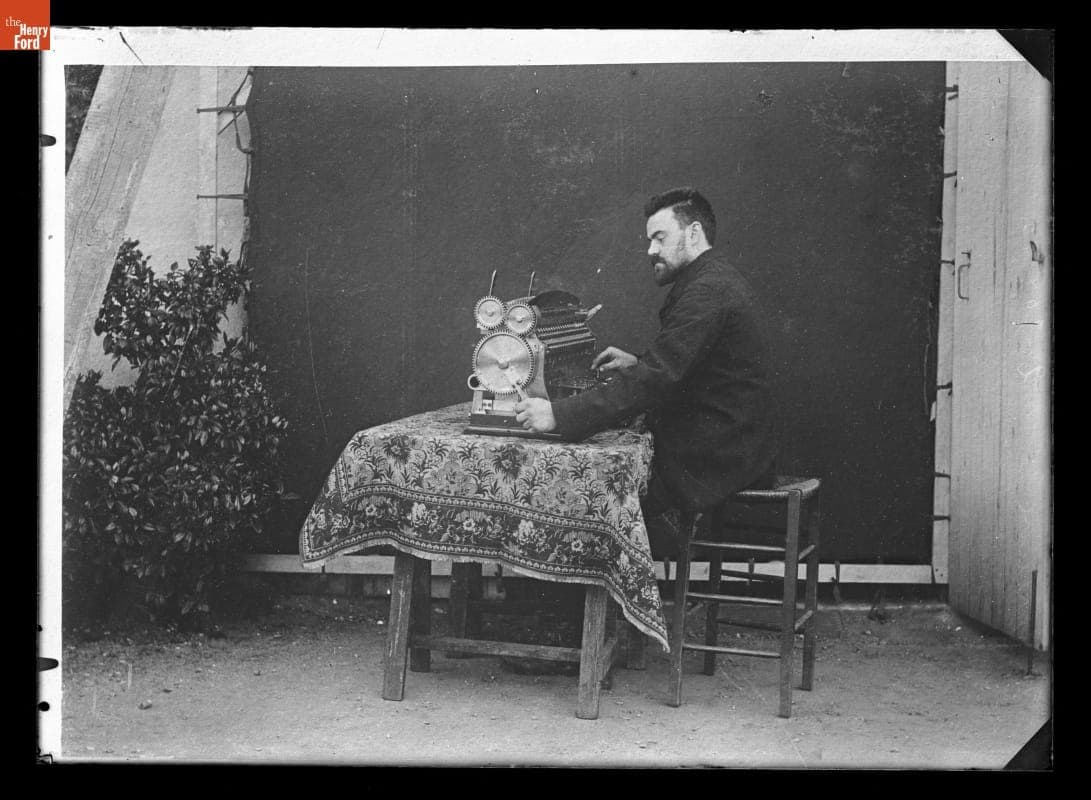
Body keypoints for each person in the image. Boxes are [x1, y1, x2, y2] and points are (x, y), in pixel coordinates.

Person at [514, 187, 779, 540]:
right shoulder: (711, 278)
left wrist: (557, 415)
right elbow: (690, 367)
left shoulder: (707, 290)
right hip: (732, 439)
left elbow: (657, 381)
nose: (650, 250)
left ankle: (576, 591)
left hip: (719, 454)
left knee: (578, 487)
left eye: (659, 238)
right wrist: (637, 362)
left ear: (694, 233)